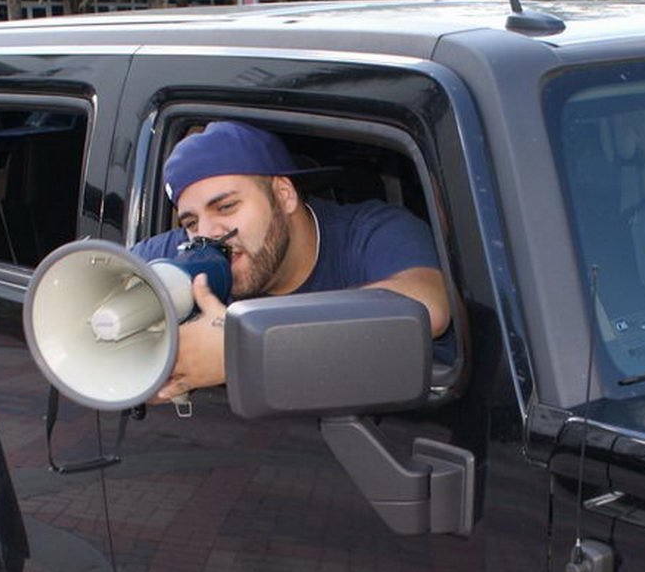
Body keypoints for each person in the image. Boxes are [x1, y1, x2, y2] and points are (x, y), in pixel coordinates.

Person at [132, 121, 450, 402]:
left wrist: (242, 349)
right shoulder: (188, 251)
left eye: (226, 207)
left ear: (284, 194)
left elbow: (428, 308)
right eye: (190, 222)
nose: (207, 234)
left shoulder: (373, 230)